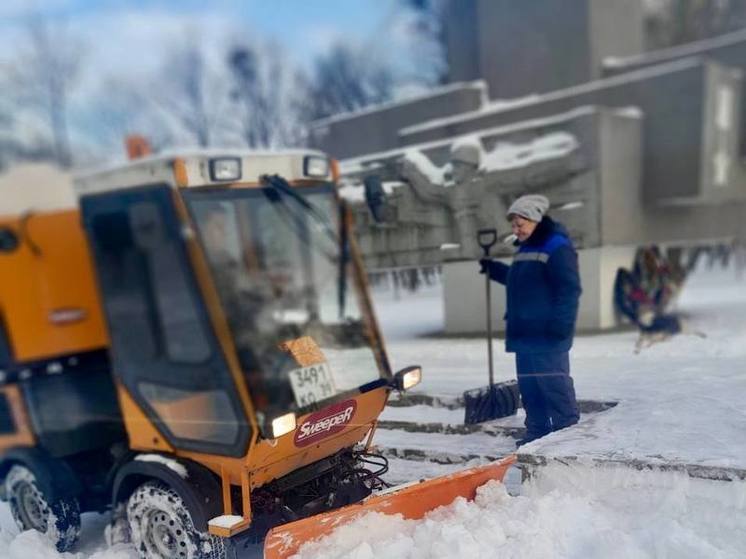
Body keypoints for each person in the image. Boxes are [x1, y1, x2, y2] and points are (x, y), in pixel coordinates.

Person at [479, 194, 581, 446]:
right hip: (524, 333)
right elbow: (520, 281)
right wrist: (496, 270)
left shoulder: (557, 247)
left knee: (553, 385)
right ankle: (536, 432)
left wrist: (560, 327)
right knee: (531, 388)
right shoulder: (527, 247)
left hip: (547, 334)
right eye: (513, 224)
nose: (515, 229)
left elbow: (568, 290)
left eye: (519, 223)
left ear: (535, 219)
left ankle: (566, 436)